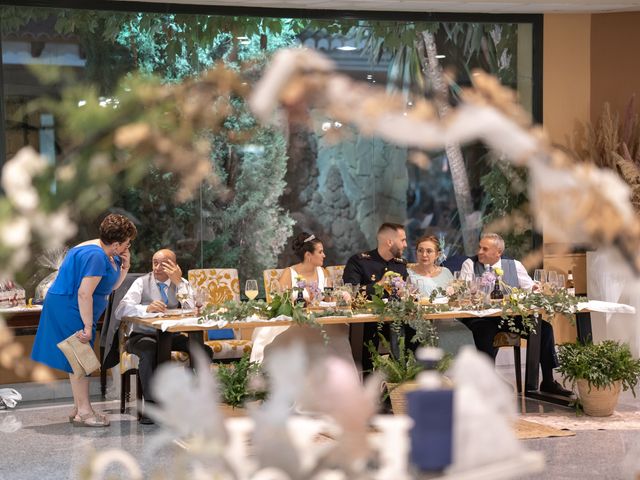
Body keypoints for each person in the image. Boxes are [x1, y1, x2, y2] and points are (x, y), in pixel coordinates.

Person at [31, 213, 137, 427]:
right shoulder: (96, 256)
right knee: (81, 359)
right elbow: (84, 294)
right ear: (116, 244)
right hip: (70, 306)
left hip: (75, 305)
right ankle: (85, 413)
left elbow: (111, 286)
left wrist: (125, 267)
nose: (129, 246)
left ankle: (79, 408)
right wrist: (88, 327)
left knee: (78, 359)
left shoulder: (106, 252)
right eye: (127, 242)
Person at [459, 232, 572, 397]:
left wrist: (538, 289)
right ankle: (487, 382)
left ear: (498, 252)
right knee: (484, 331)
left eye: (485, 249)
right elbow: (463, 292)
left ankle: (548, 381)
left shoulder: (515, 265)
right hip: (481, 317)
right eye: (479, 247)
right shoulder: (470, 264)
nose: (479, 252)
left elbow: (530, 288)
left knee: (544, 329)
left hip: (509, 317)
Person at [114, 248, 213, 424]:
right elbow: (120, 310)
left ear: (174, 265)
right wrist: (146, 308)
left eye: (164, 263)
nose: (157, 267)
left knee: (203, 350)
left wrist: (180, 284)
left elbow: (193, 310)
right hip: (141, 336)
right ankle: (152, 407)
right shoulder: (141, 283)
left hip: (171, 335)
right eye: (155, 262)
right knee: (150, 351)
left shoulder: (182, 283)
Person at [251, 232, 338, 363]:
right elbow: (280, 303)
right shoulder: (289, 273)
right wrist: (297, 303)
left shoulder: (323, 273)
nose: (324, 255)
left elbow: (330, 301)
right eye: (320, 252)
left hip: (318, 323)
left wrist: (336, 298)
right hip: (292, 324)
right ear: (308, 255)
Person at [342, 222, 410, 374]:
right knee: (366, 331)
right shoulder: (359, 262)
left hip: (394, 320)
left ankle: (401, 377)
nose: (405, 244)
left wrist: (403, 293)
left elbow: (406, 292)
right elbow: (349, 292)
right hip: (366, 323)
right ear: (390, 242)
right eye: (403, 240)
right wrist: (379, 285)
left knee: (413, 329)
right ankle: (365, 379)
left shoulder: (400, 265)